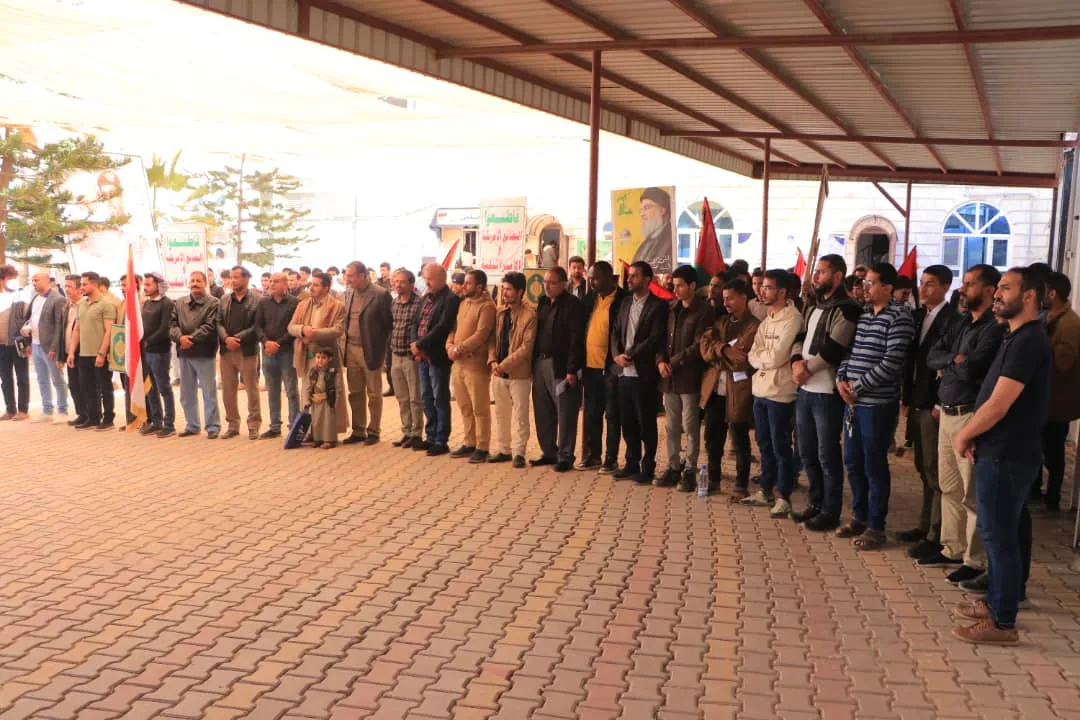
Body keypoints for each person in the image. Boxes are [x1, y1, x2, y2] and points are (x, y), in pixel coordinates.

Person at [950, 267, 1052, 645]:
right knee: (1011, 529)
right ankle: (1004, 597)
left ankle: (1002, 621)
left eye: (1006, 289)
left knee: (998, 535)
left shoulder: (1028, 341)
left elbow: (1000, 404)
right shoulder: (1016, 336)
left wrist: (965, 434)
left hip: (1007, 452)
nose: (998, 295)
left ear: (1029, 296)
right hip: (1001, 448)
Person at [926, 264, 1003, 586]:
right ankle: (952, 547)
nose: (962, 288)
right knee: (950, 487)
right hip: (946, 411)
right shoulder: (961, 323)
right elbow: (933, 354)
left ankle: (974, 560)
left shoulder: (994, 328)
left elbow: (976, 368)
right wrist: (952, 362)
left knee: (972, 494)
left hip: (971, 414)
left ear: (988, 290)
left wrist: (956, 365)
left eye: (969, 284)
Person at [835, 263, 915, 550]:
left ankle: (876, 526)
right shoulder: (866, 315)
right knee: (853, 462)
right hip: (852, 403)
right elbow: (850, 353)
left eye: (870, 283)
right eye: (864, 283)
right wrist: (841, 379)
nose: (864, 288)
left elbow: (893, 363)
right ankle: (859, 516)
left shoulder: (900, 317)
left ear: (888, 288)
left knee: (874, 465)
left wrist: (857, 387)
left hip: (877, 405)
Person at [790, 255, 861, 531]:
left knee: (826, 454)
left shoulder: (847, 309)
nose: (816, 277)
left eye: (821, 272)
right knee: (806, 452)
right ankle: (815, 503)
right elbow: (800, 337)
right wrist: (796, 362)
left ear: (838, 276)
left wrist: (806, 367)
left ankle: (831, 510)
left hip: (826, 392)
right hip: (805, 389)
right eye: (816, 272)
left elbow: (834, 348)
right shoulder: (813, 305)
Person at [898, 265, 958, 561]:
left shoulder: (953, 320)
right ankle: (924, 526)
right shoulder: (917, 316)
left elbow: (947, 366)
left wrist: (938, 404)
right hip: (916, 400)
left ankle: (937, 534)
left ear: (946, 286)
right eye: (921, 283)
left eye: (931, 284)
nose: (923, 289)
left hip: (935, 405)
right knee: (923, 467)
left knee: (936, 472)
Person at [741, 269, 802, 517]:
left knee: (780, 446)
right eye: (761, 287)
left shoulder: (793, 319)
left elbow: (778, 355)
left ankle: (784, 495)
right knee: (764, 444)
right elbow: (752, 354)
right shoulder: (767, 319)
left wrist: (762, 358)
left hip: (780, 393)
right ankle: (765, 489)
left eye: (767, 287)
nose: (761, 291)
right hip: (761, 390)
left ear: (782, 292)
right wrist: (762, 359)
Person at [657, 265, 714, 490]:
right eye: (674, 285)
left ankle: (690, 469)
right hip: (668, 378)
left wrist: (673, 362)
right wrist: (661, 362)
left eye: (681, 285)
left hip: (689, 377)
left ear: (692, 286)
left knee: (690, 426)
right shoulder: (671, 308)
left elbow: (699, 345)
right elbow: (661, 340)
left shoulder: (704, 311)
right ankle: (673, 467)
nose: (676, 289)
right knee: (671, 427)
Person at [700, 279, 759, 498]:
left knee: (740, 437)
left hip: (740, 389)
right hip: (716, 388)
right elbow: (705, 347)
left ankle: (741, 485)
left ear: (744, 297)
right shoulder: (721, 321)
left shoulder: (754, 325)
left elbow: (743, 360)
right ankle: (713, 479)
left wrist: (718, 355)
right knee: (712, 437)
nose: (726, 303)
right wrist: (723, 348)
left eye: (731, 298)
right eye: (724, 299)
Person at [610, 261, 667, 484]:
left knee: (646, 423)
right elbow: (615, 333)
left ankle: (648, 466)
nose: (629, 279)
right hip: (623, 373)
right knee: (627, 421)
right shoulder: (624, 303)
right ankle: (631, 462)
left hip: (643, 373)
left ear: (647, 280)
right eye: (629, 276)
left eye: (634, 276)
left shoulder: (658, 306)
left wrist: (630, 354)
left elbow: (654, 338)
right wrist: (617, 355)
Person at [531, 267, 586, 472]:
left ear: (564, 284)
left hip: (561, 366)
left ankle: (565, 455)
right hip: (540, 363)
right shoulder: (543, 303)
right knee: (542, 410)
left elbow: (576, 340)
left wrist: (572, 369)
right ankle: (549, 452)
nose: (547, 286)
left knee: (565, 412)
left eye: (552, 282)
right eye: (545, 281)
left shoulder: (573, 306)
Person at [289, 272, 349, 442]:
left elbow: (338, 330)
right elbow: (291, 326)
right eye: (311, 284)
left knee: (329, 393)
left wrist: (314, 334)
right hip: (307, 355)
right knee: (308, 392)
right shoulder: (303, 304)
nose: (311, 288)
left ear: (326, 287)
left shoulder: (337, 306)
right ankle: (311, 431)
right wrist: (302, 330)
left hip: (327, 356)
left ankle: (329, 433)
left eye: (315, 285)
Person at [1038, 271, 1080, 512]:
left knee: (1053, 451)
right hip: (1047, 399)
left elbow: (1061, 365)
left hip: (1057, 402)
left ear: (1052, 294)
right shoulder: (1051, 318)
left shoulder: (1069, 324)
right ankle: (1038, 489)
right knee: (1042, 447)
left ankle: (1052, 496)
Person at [580, 261, 627, 473]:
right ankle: (593, 456)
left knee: (612, 415)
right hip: (590, 368)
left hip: (611, 368)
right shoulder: (589, 299)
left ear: (610, 278)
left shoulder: (622, 300)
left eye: (596, 278)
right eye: (590, 277)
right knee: (591, 414)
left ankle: (611, 458)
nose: (591, 281)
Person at [447, 269, 497, 463]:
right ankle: (469, 442)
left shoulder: (487, 307)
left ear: (480, 286)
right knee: (464, 406)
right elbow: (454, 329)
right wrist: (449, 345)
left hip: (476, 365)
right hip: (458, 363)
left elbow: (481, 335)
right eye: (464, 282)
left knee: (480, 408)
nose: (463, 286)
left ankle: (482, 446)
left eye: (468, 283)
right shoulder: (462, 303)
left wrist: (459, 348)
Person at [487, 272, 536, 468]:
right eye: (503, 288)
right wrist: (492, 361)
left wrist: (503, 365)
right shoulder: (500, 313)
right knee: (501, 414)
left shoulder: (530, 315)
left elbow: (527, 347)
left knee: (521, 415)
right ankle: (504, 450)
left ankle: (519, 453)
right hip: (498, 373)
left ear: (520, 291)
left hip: (519, 374)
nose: (504, 293)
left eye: (508, 289)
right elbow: (492, 340)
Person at [341, 261, 393, 446]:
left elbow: (389, 325)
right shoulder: (348, 292)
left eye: (351, 276)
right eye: (347, 275)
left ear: (363, 276)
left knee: (374, 393)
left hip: (370, 350)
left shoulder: (380, 294)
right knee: (355, 392)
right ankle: (358, 430)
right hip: (350, 349)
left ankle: (374, 430)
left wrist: (379, 346)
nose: (348, 279)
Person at [411, 264, 460, 456]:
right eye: (425, 278)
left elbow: (442, 327)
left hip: (437, 356)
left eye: (430, 278)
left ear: (442, 277)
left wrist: (421, 344)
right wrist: (415, 344)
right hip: (422, 355)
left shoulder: (451, 299)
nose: (427, 282)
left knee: (440, 397)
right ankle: (430, 436)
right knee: (426, 397)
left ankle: (441, 439)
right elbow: (416, 322)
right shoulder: (425, 298)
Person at [170, 271, 221, 439]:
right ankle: (192, 425)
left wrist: (191, 338)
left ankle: (212, 427)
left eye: (198, 280)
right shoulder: (179, 303)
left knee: (208, 392)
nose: (195, 283)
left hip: (204, 352)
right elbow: (172, 325)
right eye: (192, 281)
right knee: (186, 393)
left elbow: (210, 326)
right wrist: (180, 338)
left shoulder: (214, 303)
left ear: (205, 283)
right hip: (184, 353)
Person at [66, 272, 117, 430]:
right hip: (84, 354)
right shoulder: (82, 304)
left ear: (95, 284)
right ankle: (93, 417)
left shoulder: (105, 304)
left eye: (84, 284)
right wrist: (72, 352)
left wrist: (102, 353)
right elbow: (77, 330)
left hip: (99, 354)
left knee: (104, 387)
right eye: (81, 284)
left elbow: (109, 331)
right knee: (87, 387)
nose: (82, 287)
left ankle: (108, 418)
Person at [216, 266, 261, 440]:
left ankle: (254, 425)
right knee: (228, 390)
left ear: (246, 279)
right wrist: (227, 338)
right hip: (227, 350)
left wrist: (238, 338)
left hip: (247, 350)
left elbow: (257, 325)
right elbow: (218, 322)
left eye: (236, 277)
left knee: (251, 389)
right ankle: (232, 424)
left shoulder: (257, 300)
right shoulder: (224, 299)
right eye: (231, 277)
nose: (232, 280)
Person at [254, 272, 300, 439]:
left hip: (286, 351)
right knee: (272, 390)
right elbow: (257, 326)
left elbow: (294, 328)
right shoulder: (263, 302)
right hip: (267, 352)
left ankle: (295, 427)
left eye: (276, 282)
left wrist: (277, 343)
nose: (271, 284)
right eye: (270, 281)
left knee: (291, 390)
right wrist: (266, 342)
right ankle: (274, 426)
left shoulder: (295, 303)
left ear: (285, 284)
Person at [22, 271, 68, 422]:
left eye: (37, 280)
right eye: (32, 280)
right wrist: (26, 329)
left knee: (57, 379)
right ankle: (47, 411)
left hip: (49, 347)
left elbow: (58, 326)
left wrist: (54, 348)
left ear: (47, 280)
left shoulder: (58, 299)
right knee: (42, 379)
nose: (34, 283)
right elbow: (31, 319)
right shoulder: (35, 298)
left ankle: (62, 410)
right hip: (35, 344)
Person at [388, 268, 423, 448]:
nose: (398, 285)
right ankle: (406, 431)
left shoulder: (419, 304)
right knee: (401, 397)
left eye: (401, 282)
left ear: (411, 283)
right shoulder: (394, 303)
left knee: (415, 397)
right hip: (396, 355)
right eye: (395, 282)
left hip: (411, 357)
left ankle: (417, 433)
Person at [140, 273, 176, 437]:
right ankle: (156, 422)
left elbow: (164, 329)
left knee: (164, 388)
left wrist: (148, 341)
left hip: (159, 352)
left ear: (158, 285)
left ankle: (169, 424)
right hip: (146, 352)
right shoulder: (147, 303)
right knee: (150, 388)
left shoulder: (166, 303)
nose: (145, 288)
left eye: (148, 285)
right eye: (145, 285)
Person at [0, 264, 30, 421]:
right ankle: (10, 409)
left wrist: (28, 342)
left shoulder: (20, 296)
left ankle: (23, 410)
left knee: (22, 376)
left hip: (18, 343)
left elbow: (28, 320)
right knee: (5, 378)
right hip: (1, 345)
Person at [59, 275, 85, 426]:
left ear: (79, 289)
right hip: (70, 352)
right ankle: (80, 413)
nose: (66, 289)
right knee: (74, 384)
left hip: (82, 351)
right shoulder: (68, 306)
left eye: (69, 286)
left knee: (84, 384)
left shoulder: (84, 306)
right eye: (65, 286)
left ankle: (89, 414)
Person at [631, 188, 673, 275]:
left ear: (662, 210)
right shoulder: (644, 245)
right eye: (641, 210)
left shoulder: (671, 240)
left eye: (646, 208)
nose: (642, 214)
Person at [307, 349, 341, 449]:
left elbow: (338, 388)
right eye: (318, 357)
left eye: (323, 358)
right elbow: (309, 386)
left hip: (328, 400)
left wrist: (336, 401)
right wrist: (308, 399)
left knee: (328, 420)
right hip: (316, 400)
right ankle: (317, 439)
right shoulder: (313, 371)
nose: (320, 360)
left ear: (329, 359)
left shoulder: (333, 372)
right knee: (316, 420)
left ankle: (329, 440)